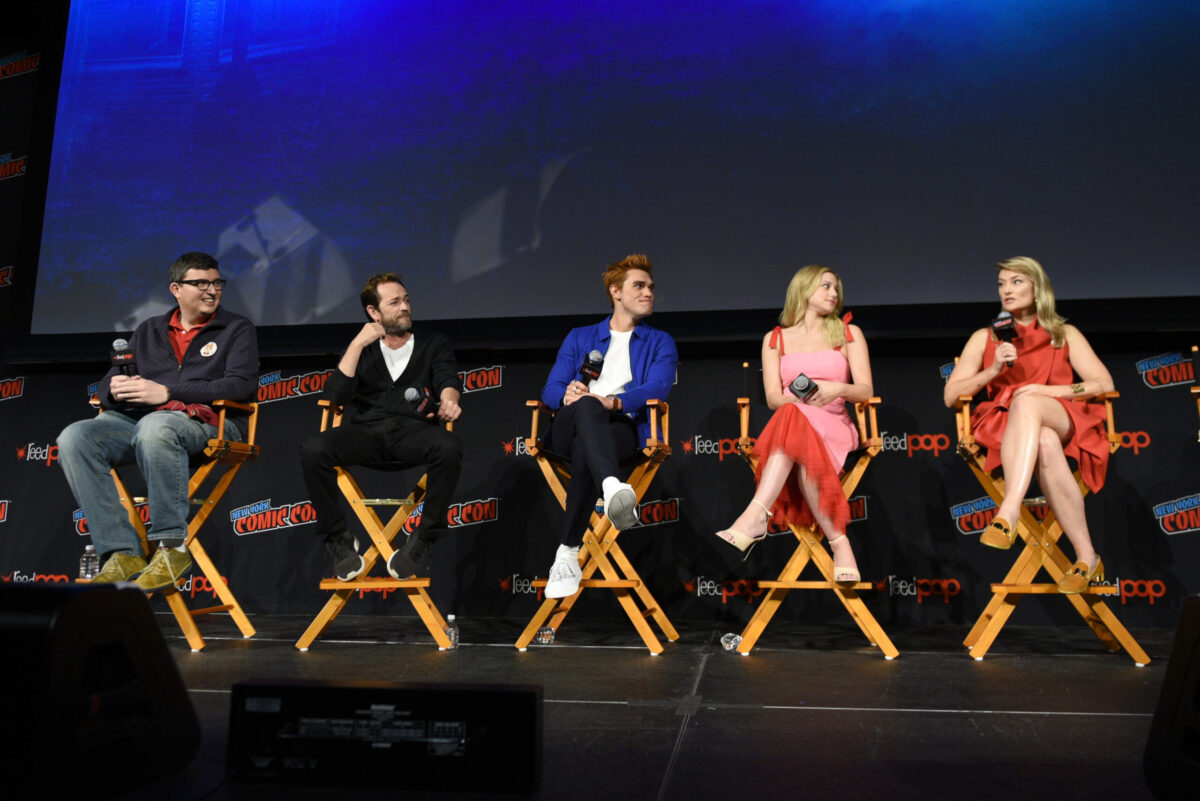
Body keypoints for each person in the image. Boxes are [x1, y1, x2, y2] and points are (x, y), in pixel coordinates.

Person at [57, 252, 258, 590]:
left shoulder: (237, 328)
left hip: (211, 423)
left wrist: (167, 391)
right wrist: (115, 389)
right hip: (145, 422)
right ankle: (121, 551)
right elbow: (106, 386)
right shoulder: (149, 329)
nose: (212, 290)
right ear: (176, 289)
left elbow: (241, 386)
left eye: (217, 283)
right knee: (75, 438)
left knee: (156, 427)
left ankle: (172, 547)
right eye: (201, 283)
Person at [942, 256, 1114, 593]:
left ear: (1038, 289)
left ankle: (1008, 510)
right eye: (1001, 284)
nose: (1006, 290)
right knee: (1045, 442)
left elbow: (1103, 383)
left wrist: (1049, 391)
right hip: (1007, 424)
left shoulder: (1063, 334)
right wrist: (993, 370)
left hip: (1060, 412)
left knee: (1028, 402)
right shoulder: (986, 337)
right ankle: (1087, 558)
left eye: (1017, 281)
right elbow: (951, 396)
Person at [300, 273, 463, 581]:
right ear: (373, 312)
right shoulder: (362, 348)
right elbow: (335, 397)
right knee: (314, 449)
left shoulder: (433, 343)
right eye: (395, 302)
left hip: (414, 433)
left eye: (406, 300)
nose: (405, 307)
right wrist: (357, 343)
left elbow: (448, 381)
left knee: (449, 447)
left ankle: (424, 538)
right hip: (367, 433)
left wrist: (449, 400)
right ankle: (339, 539)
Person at [714, 265, 872, 583]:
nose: (834, 293)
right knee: (791, 417)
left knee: (791, 421)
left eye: (836, 288)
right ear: (804, 289)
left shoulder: (848, 333)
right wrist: (800, 401)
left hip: (834, 424)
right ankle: (840, 545)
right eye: (826, 286)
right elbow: (774, 397)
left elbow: (866, 391)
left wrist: (836, 389)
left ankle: (756, 514)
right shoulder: (775, 339)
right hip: (794, 423)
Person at [541, 254, 678, 599]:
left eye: (651, 287)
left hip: (619, 427)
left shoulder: (660, 341)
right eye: (639, 286)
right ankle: (611, 485)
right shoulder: (579, 336)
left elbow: (658, 387)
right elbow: (550, 389)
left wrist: (613, 402)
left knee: (587, 448)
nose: (649, 293)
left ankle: (567, 552)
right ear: (616, 291)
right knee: (586, 408)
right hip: (570, 423)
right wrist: (568, 395)